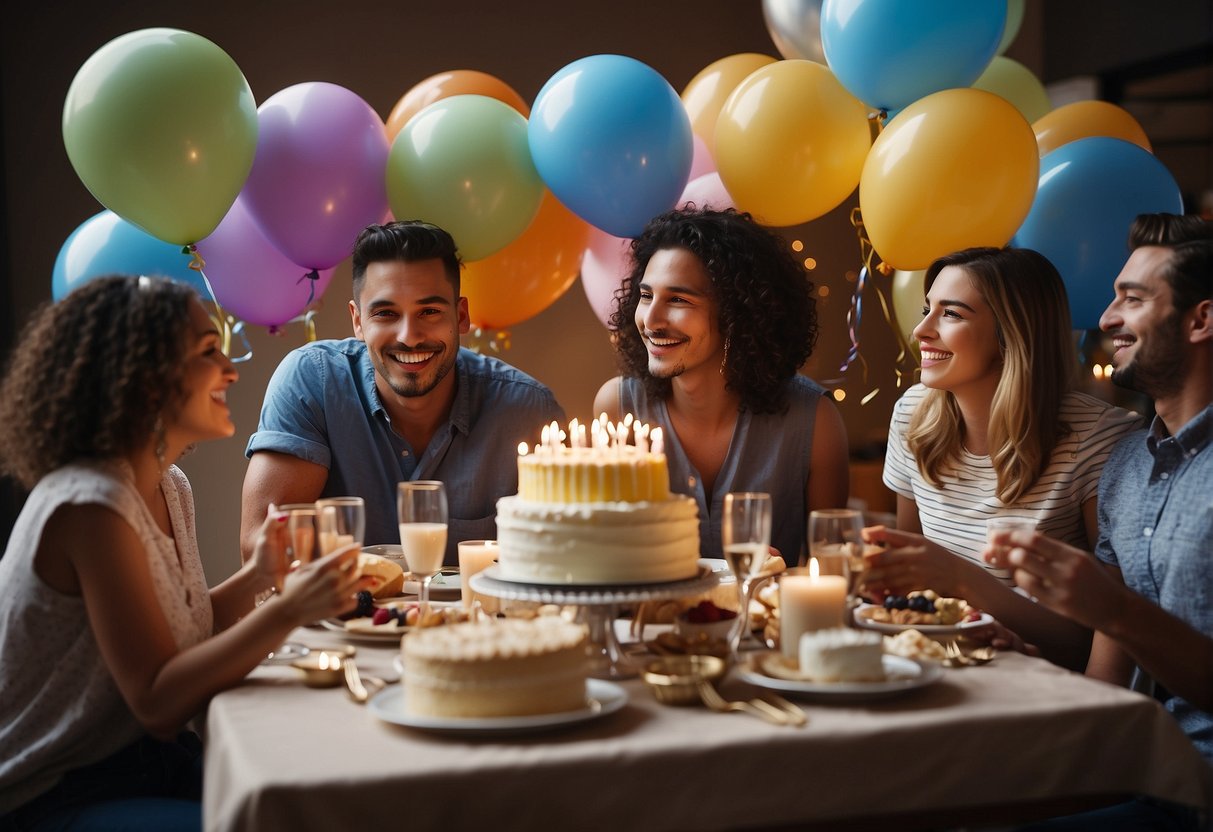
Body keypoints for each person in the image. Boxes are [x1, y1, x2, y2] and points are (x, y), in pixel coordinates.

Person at [0, 276, 367, 830]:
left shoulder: (169, 485)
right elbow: (157, 701)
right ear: (143, 377)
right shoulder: (91, 505)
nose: (231, 369)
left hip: (139, 764)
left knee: (330, 797)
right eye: (206, 352)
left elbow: (179, 637)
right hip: (53, 789)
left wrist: (255, 578)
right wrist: (286, 609)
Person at [986, 214, 1211, 816]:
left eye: (1132, 300)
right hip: (1131, 768)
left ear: (1201, 320)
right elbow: (1107, 685)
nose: (1108, 318)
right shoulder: (1126, 465)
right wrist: (1028, 662)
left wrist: (1110, 606)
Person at [864, 247, 1142, 670]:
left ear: (1012, 333)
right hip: (943, 671)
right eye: (927, 309)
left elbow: (1106, 637)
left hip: (1045, 688)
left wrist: (963, 582)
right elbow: (912, 597)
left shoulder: (1099, 438)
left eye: (951, 314)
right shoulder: (911, 414)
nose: (921, 329)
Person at [241, 220, 565, 564]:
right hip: (339, 617)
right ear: (358, 321)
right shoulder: (313, 381)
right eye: (386, 313)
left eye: (429, 311)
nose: (409, 336)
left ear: (461, 315)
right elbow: (260, 551)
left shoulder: (528, 411)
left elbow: (560, 561)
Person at [593, 207, 849, 563]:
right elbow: (603, 557)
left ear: (738, 314)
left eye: (678, 300)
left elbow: (832, 573)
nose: (650, 320)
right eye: (647, 295)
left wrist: (783, 575)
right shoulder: (617, 407)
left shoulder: (815, 421)